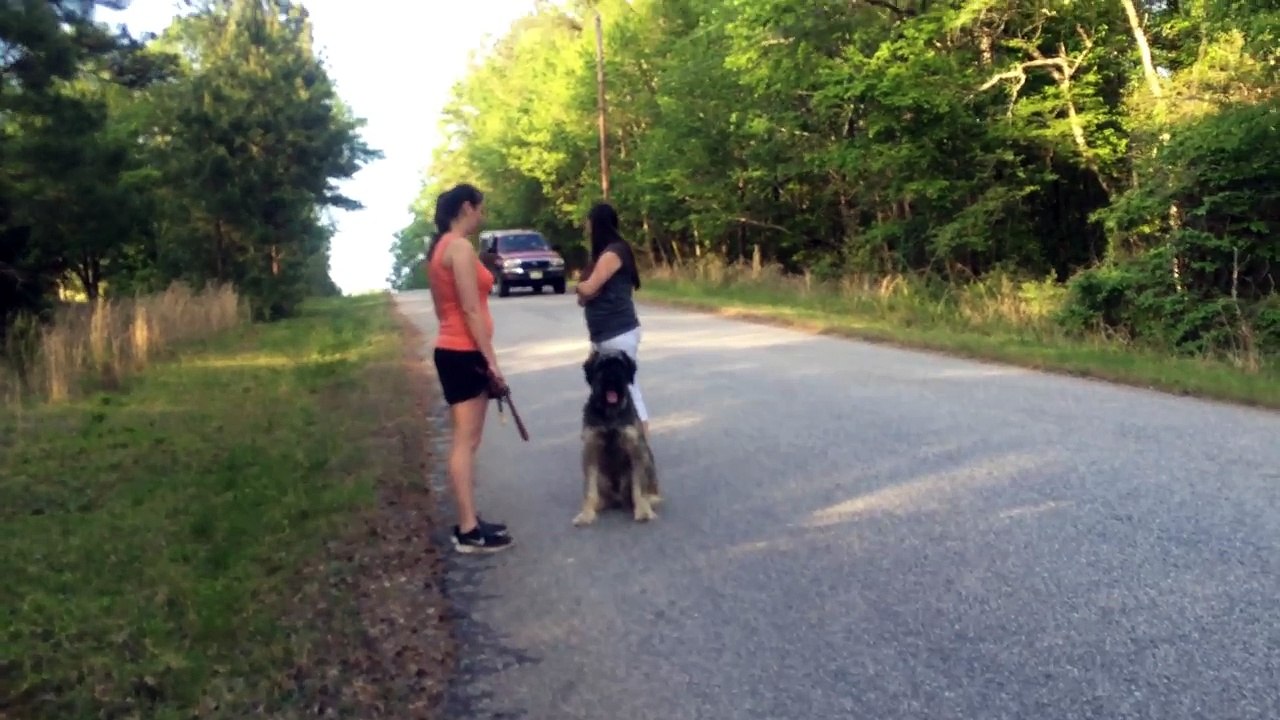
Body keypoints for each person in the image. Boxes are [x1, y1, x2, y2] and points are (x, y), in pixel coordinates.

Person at [426, 183, 514, 554]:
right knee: (465, 441)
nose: (483, 216)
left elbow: (440, 309)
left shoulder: (439, 249)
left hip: (454, 350)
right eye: (480, 209)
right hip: (463, 353)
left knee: (469, 440)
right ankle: (467, 530)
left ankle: (471, 520)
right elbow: (470, 310)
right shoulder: (458, 248)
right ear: (466, 207)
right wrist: (489, 359)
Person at [575, 201, 650, 436]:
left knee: (629, 389)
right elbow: (587, 295)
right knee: (604, 384)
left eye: (588, 222)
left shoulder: (613, 252)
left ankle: (640, 443)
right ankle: (618, 439)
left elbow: (588, 289)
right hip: (605, 334)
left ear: (597, 223)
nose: (586, 227)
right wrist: (585, 290)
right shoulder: (604, 254)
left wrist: (581, 286)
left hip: (618, 332)